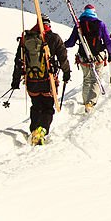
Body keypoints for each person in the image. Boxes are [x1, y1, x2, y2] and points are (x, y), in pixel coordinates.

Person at [11, 15, 70, 145]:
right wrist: (67, 73)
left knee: (36, 106)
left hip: (31, 81)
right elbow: (63, 58)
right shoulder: (54, 38)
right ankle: (42, 130)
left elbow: (18, 61)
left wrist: (15, 80)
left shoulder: (26, 39)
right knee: (48, 107)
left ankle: (33, 130)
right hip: (48, 81)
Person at [64, 3, 111, 112]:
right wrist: (110, 53)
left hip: (83, 57)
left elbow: (71, 42)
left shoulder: (79, 25)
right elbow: (107, 41)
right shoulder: (100, 24)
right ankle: (91, 102)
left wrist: (62, 44)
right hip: (98, 57)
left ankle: (86, 100)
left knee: (86, 79)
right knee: (96, 79)